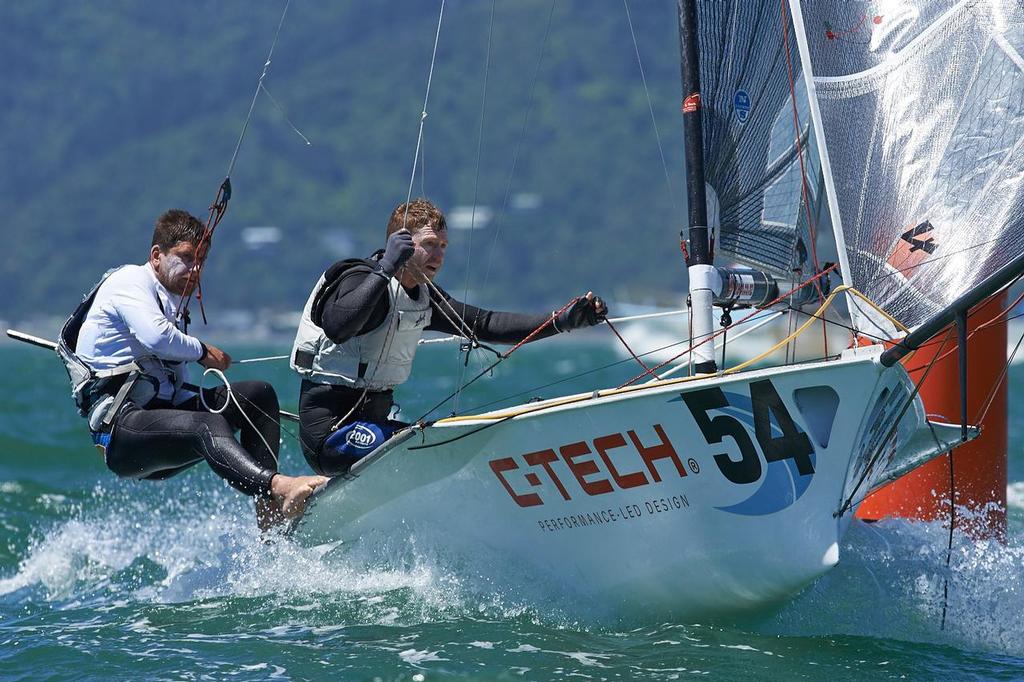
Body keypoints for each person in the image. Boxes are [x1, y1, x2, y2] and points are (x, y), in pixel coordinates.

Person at [291, 198, 607, 476]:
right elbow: (337, 325)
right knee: (424, 446)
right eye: (429, 244)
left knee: (437, 440)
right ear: (398, 242)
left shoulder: (423, 299)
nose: (438, 255)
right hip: (331, 436)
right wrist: (387, 266)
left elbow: (486, 323)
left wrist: (562, 321)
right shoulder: (360, 279)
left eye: (443, 246)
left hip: (375, 429)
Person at [60, 209, 326, 529]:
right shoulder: (128, 282)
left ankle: (268, 518)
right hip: (123, 433)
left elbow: (171, 381)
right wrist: (202, 352)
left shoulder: (169, 301)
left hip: (166, 421)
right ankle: (279, 488)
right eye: (186, 257)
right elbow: (157, 337)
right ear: (157, 255)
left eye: (201, 260)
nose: (195, 268)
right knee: (207, 424)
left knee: (258, 395)